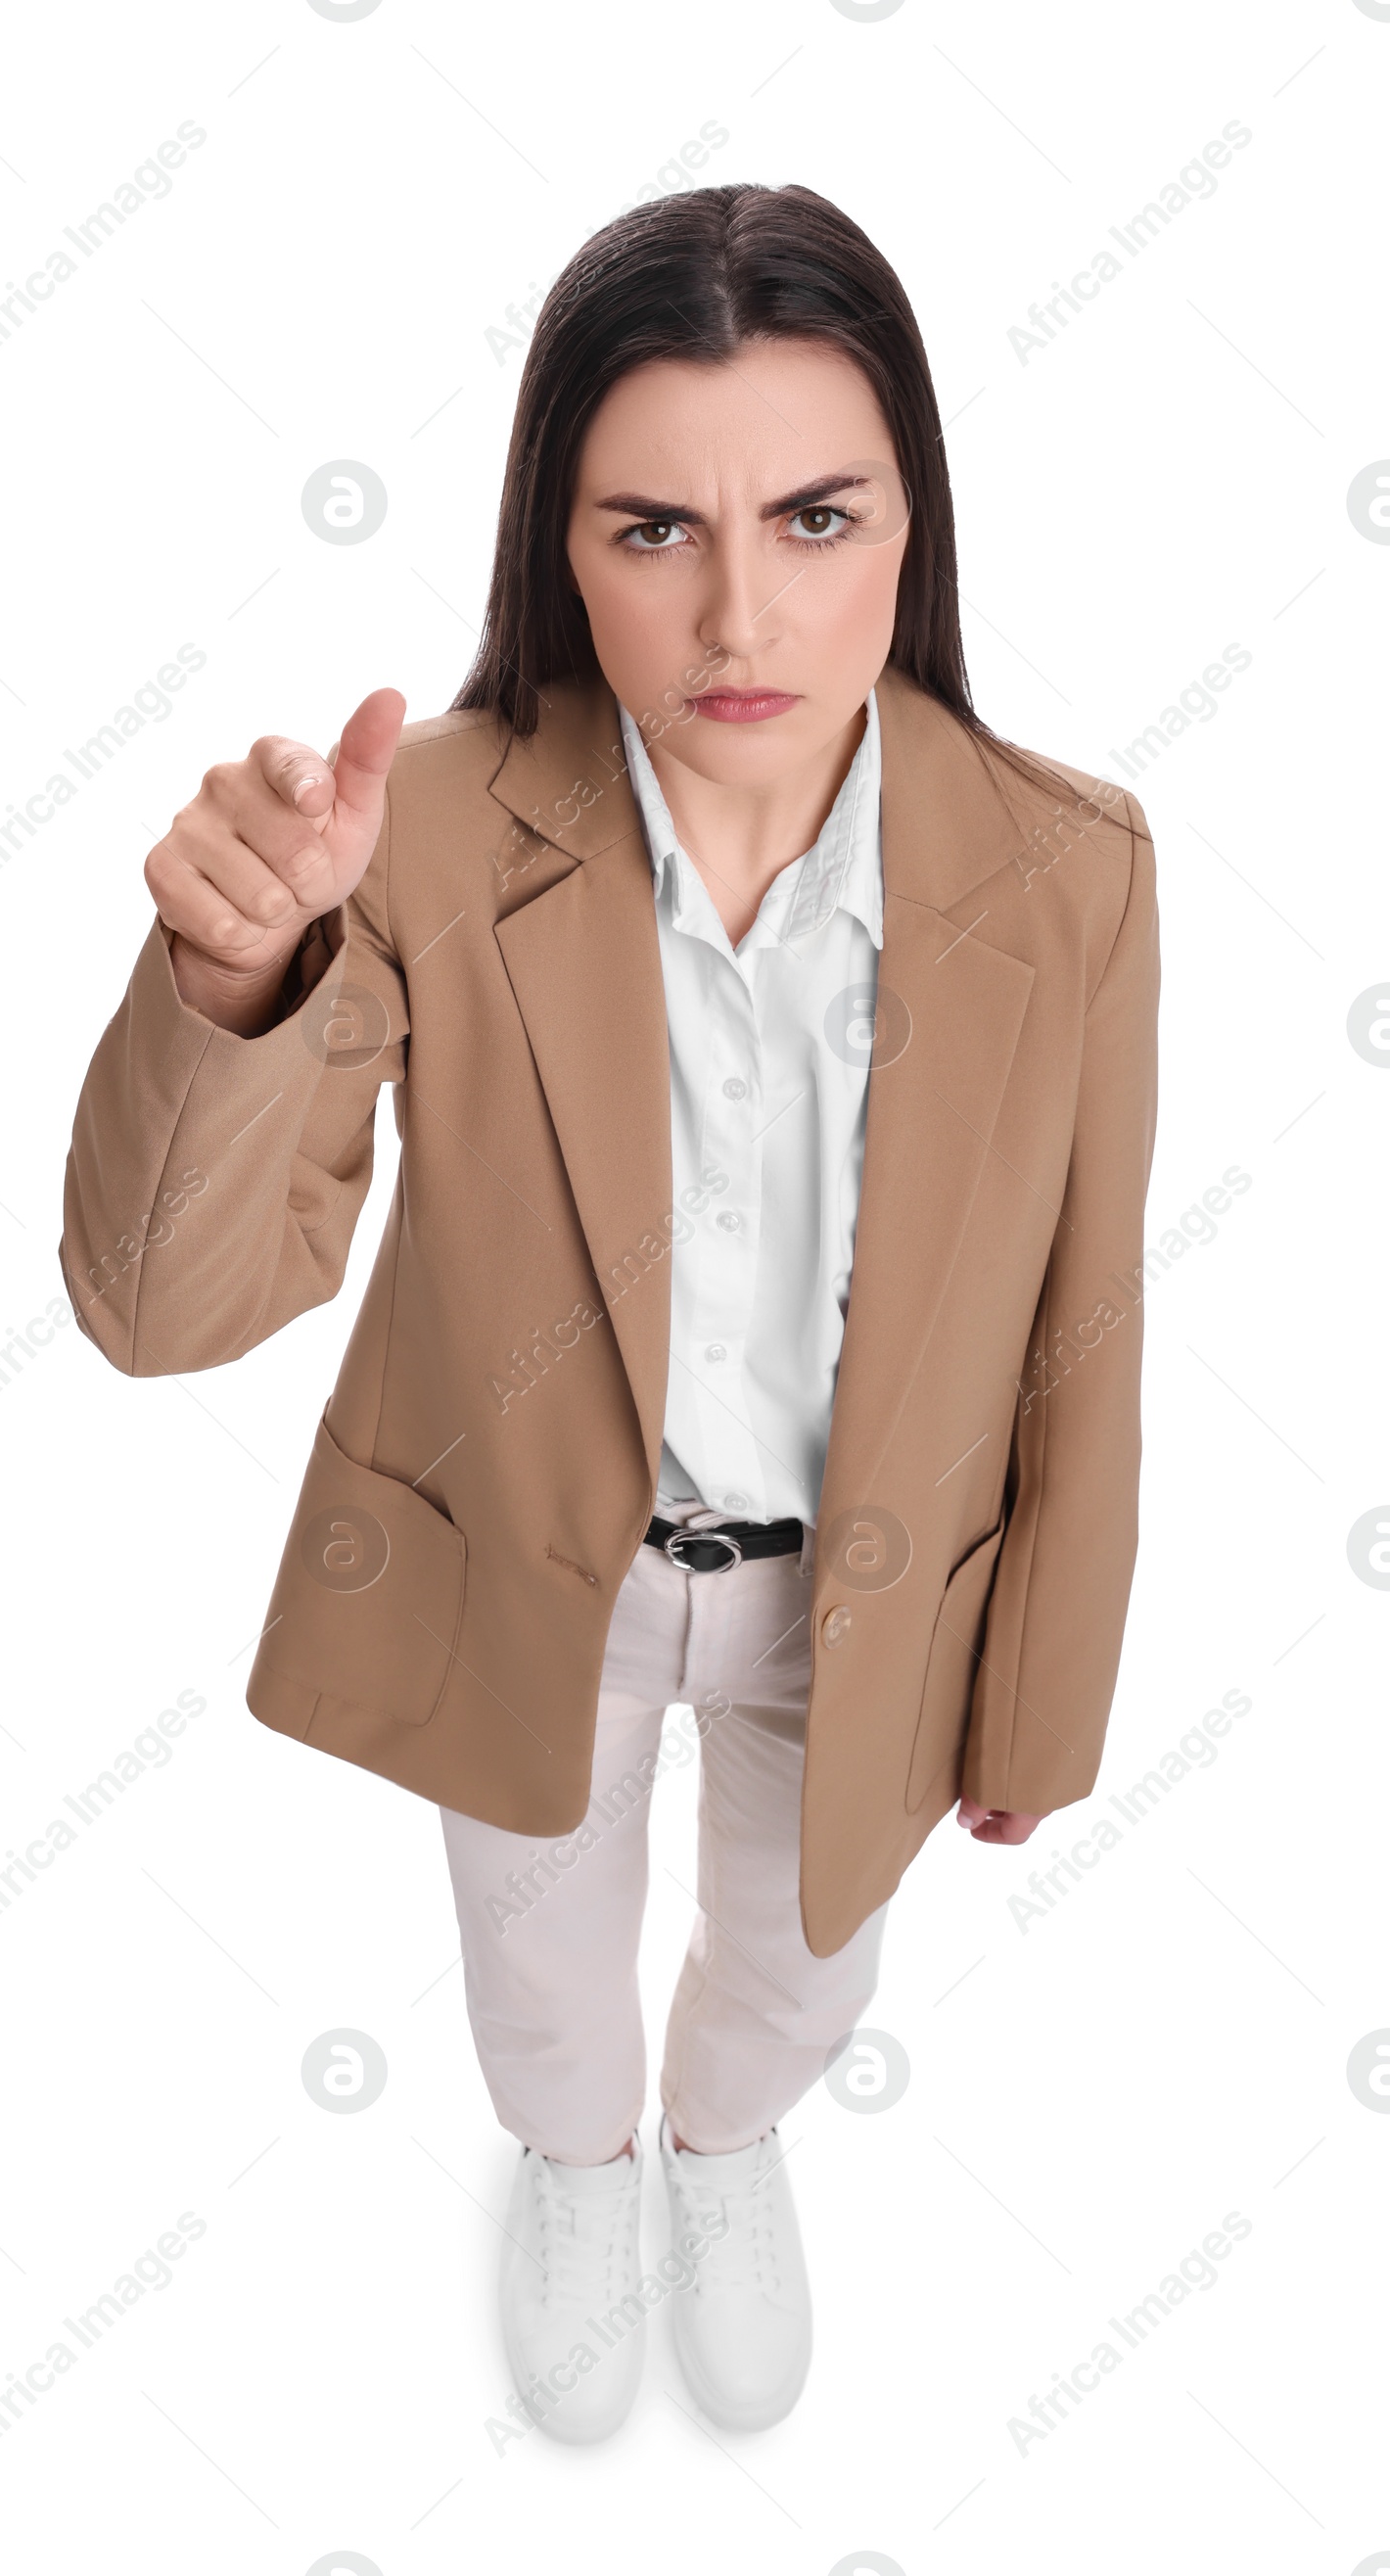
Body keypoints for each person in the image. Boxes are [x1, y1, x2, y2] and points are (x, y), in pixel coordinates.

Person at [59, 182, 1159, 2445]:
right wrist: (232, 977)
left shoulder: (1072, 867)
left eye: (814, 516)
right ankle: (574, 2170)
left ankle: (725, 2149)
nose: (737, 607)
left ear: (908, 525)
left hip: (860, 1603)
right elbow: (169, 1308)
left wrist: (1037, 1691)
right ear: (557, 546)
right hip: (533, 1579)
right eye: (650, 527)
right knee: (539, 1973)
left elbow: (1088, 1306)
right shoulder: (425, 834)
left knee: (793, 1962)